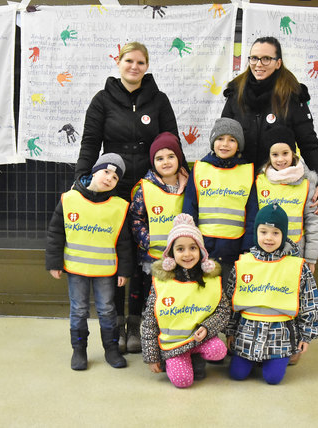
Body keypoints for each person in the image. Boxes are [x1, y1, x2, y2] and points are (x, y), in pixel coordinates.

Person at [74, 42, 186, 341]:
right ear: (119, 63)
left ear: (146, 66)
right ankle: (115, 323)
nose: (134, 66)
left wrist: (181, 173)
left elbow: (171, 141)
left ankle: (137, 324)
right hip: (115, 187)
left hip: (152, 188)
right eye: (128, 61)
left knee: (142, 257)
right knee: (117, 252)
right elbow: (89, 143)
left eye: (140, 62)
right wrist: (82, 178)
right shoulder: (102, 100)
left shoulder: (159, 100)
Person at [222, 36, 318, 215]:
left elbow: (309, 143)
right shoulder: (236, 92)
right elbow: (222, 138)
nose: (258, 64)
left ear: (278, 63)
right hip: (240, 183)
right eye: (254, 58)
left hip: (279, 185)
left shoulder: (293, 95)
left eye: (266, 59)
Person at [46, 153, 132, 371]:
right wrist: (54, 263)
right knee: (79, 309)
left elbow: (124, 242)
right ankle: (79, 350)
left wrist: (124, 270)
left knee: (106, 309)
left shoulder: (119, 206)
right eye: (106, 172)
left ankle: (111, 349)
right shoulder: (69, 199)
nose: (109, 178)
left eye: (115, 177)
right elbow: (56, 233)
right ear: (95, 170)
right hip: (76, 269)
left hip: (105, 271)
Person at [225, 204, 318, 384]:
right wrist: (230, 331)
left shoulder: (297, 266)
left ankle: (273, 359)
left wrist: (306, 336)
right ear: (256, 233)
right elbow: (230, 301)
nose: (269, 238)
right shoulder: (243, 263)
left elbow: (310, 303)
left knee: (273, 379)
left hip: (280, 334)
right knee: (237, 375)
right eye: (263, 232)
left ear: (283, 235)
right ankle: (253, 358)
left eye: (275, 233)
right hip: (248, 331)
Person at [141, 213, 229, 388]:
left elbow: (224, 311)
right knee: (183, 382)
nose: (187, 254)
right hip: (173, 344)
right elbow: (149, 322)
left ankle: (193, 356)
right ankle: (175, 359)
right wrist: (152, 358)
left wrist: (207, 327)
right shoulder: (163, 283)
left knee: (219, 350)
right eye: (180, 249)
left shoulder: (210, 279)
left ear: (201, 251)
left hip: (198, 339)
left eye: (193, 248)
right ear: (171, 253)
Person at [127, 132, 189, 353]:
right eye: (159, 158)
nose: (165, 162)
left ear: (179, 158)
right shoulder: (145, 187)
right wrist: (148, 238)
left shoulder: (189, 187)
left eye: (170, 156)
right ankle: (148, 339)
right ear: (153, 162)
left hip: (183, 259)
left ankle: (175, 339)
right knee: (151, 300)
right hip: (152, 259)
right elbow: (136, 218)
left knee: (176, 299)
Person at [182, 117, 258, 285]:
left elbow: (253, 215)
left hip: (234, 251)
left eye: (232, 140)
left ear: (239, 145)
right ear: (213, 142)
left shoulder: (247, 172)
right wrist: (189, 244)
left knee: (228, 298)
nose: (225, 144)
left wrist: (248, 248)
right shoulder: (200, 169)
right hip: (201, 251)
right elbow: (189, 209)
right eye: (220, 138)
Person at [256, 126, 318, 273]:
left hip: (296, 253)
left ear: (293, 154)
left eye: (285, 153)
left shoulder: (306, 184)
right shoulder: (260, 182)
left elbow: (313, 222)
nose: (280, 159)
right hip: (264, 252)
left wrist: (311, 258)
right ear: (269, 156)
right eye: (275, 154)